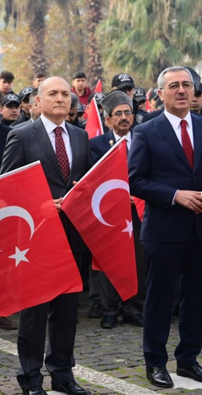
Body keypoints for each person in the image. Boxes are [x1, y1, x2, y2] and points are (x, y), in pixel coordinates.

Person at [128, 66, 202, 389]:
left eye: (187, 85)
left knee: (196, 299)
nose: (182, 91)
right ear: (161, 93)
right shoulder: (147, 131)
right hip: (164, 230)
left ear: (195, 92)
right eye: (174, 86)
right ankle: (155, 362)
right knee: (160, 299)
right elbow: (135, 181)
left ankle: (189, 360)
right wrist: (175, 195)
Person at [1, 76, 93, 395]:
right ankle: (30, 377)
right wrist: (38, 204)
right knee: (35, 312)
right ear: (37, 101)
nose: (59, 99)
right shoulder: (21, 135)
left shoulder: (81, 137)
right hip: (35, 237)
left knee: (68, 311)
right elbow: (7, 189)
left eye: (64, 94)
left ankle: (63, 373)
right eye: (52, 93)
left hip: (72, 236)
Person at [89, 91, 145, 329]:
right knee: (108, 262)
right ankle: (109, 310)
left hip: (138, 213)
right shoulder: (96, 145)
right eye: (118, 114)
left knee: (138, 261)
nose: (124, 118)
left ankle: (133, 308)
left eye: (127, 113)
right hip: (108, 215)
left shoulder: (144, 139)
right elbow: (91, 180)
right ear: (108, 120)